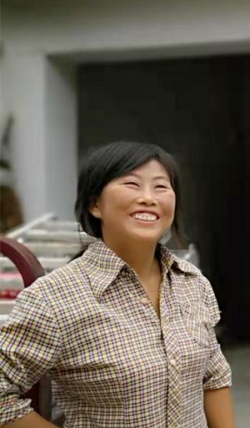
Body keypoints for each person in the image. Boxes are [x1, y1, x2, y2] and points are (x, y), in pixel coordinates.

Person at [0, 142, 234, 428]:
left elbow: (214, 375)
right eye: (132, 184)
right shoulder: (54, 298)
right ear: (94, 204)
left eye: (161, 187)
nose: (148, 198)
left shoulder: (193, 283)